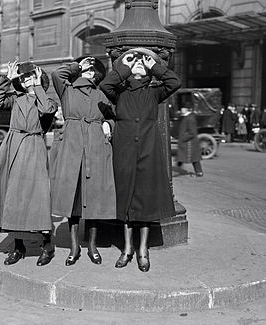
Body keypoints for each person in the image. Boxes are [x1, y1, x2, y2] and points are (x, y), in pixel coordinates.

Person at [100, 48, 181, 272]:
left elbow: (174, 82)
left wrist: (154, 65)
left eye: (141, 64)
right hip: (124, 151)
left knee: (144, 202)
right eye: (132, 64)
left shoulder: (154, 92)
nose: (137, 65)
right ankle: (127, 249)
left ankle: (142, 250)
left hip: (148, 150)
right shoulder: (120, 92)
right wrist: (123, 68)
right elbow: (105, 85)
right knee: (126, 201)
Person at [0, 60, 57, 267]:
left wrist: (37, 86)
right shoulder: (16, 99)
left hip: (34, 147)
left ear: (38, 78)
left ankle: (46, 246)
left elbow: (47, 109)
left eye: (30, 77)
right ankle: (18, 247)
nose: (26, 81)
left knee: (36, 197)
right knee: (12, 196)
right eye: (23, 78)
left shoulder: (46, 99)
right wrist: (6, 79)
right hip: (13, 146)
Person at [50, 56, 116, 266]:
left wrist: (109, 125)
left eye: (91, 70)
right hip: (72, 147)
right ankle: (74, 246)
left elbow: (115, 115)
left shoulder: (101, 94)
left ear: (96, 75)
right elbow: (56, 74)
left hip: (95, 147)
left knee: (94, 198)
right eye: (85, 69)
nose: (88, 73)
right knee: (73, 199)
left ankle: (93, 246)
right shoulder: (67, 90)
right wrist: (77, 65)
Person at [177, 107, 203, 177]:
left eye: (182, 108)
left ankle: (199, 172)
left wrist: (183, 138)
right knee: (192, 157)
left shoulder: (190, 118)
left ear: (186, 109)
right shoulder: (187, 117)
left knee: (194, 158)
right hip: (189, 142)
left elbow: (192, 132)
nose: (181, 109)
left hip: (190, 142)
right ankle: (198, 171)